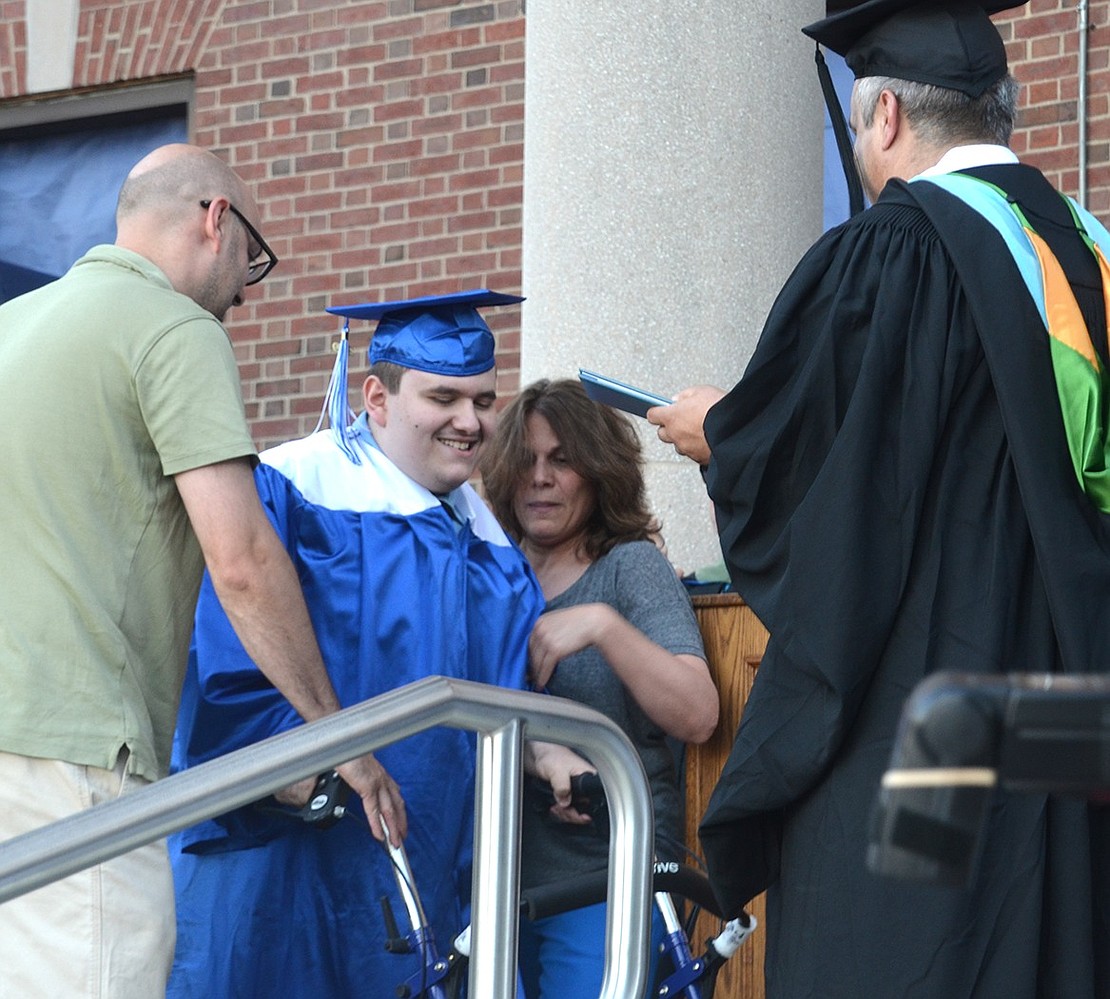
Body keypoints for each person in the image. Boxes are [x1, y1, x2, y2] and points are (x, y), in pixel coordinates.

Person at [647, 2, 1110, 996]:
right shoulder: (1092, 258)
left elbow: (826, 496)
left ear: (888, 115)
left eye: (858, 127)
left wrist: (719, 436)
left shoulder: (892, 252)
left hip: (928, 738)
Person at [0, 144, 400, 998]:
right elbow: (244, 561)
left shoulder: (12, 325)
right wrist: (342, 740)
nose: (246, 293)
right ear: (215, 218)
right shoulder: (174, 326)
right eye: (251, 260)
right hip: (75, 753)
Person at [167, 291, 560, 998]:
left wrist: (541, 753)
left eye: (483, 399)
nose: (469, 422)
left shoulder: (495, 545)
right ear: (375, 396)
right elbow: (220, 662)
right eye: (444, 396)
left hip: (430, 865)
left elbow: (499, 703)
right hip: (290, 866)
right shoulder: (292, 490)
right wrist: (303, 765)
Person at [481, 378, 719, 998]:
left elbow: (698, 714)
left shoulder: (628, 567)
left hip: (606, 878)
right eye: (526, 460)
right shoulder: (488, 568)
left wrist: (602, 626)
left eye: (562, 460)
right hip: (493, 879)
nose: (540, 477)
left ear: (598, 471)